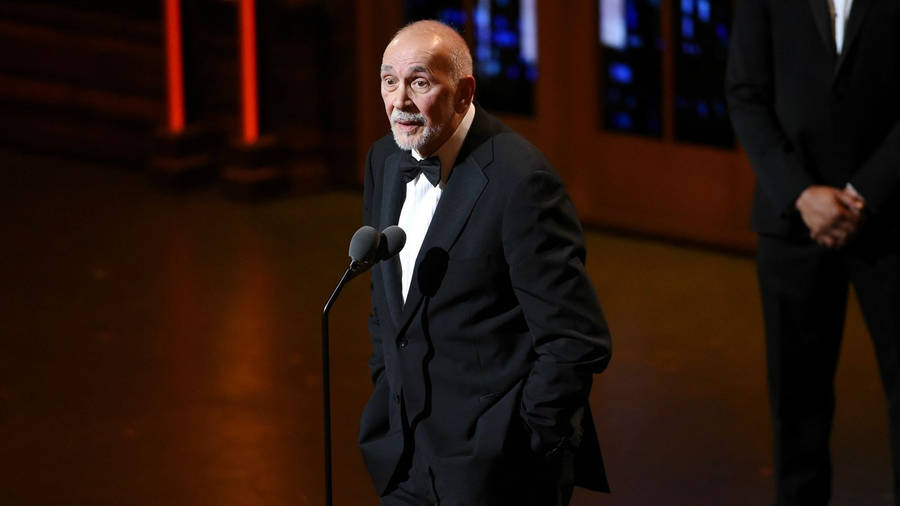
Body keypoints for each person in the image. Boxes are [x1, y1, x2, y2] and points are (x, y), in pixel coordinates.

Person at [358, 20, 612, 506]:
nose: (399, 102)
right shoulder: (384, 162)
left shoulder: (521, 182)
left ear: (464, 92)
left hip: (495, 474)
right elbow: (386, 304)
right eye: (389, 81)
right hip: (403, 458)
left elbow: (575, 339)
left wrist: (523, 440)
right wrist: (387, 386)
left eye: (420, 81)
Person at [726, 1, 900, 504]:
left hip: (891, 218)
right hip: (792, 221)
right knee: (797, 409)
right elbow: (744, 93)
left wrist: (864, 194)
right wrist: (802, 194)